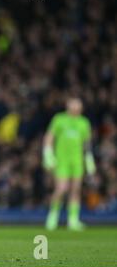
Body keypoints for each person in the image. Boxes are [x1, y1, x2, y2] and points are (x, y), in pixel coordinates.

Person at [43, 97, 96, 231]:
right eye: (74, 106)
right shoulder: (59, 119)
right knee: (61, 189)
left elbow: (87, 142)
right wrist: (48, 154)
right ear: (68, 106)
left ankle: (73, 220)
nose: (76, 109)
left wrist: (89, 158)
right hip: (62, 160)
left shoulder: (84, 122)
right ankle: (53, 215)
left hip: (77, 161)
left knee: (76, 189)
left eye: (78, 106)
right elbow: (49, 136)